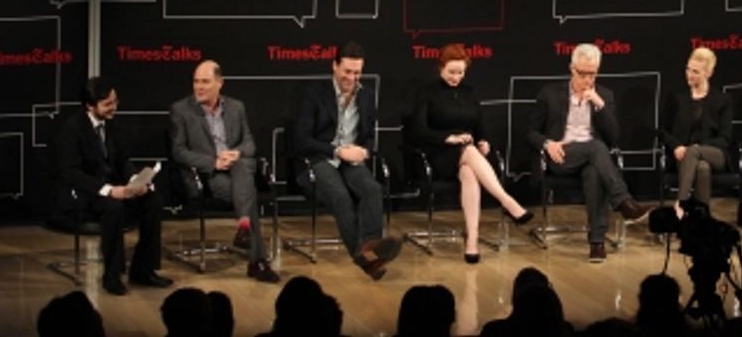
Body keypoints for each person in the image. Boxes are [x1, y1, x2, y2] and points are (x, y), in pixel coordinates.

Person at [525, 42, 651, 263]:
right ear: (571, 69)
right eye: (583, 74)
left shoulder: (605, 95)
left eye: (592, 74)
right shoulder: (550, 94)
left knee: (595, 170)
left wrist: (600, 107)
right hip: (561, 156)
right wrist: (548, 144)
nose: (588, 80)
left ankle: (596, 243)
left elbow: (613, 137)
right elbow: (531, 132)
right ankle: (624, 201)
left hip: (595, 160)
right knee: (596, 147)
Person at [409, 43, 533, 262]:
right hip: (436, 154)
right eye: (451, 72)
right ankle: (507, 201)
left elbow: (479, 125)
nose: (456, 77)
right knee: (467, 150)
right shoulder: (427, 92)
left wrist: (484, 140)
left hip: (466, 155)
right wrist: (448, 138)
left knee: (468, 171)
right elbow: (419, 131)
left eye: (460, 72)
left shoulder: (469, 92)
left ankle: (472, 240)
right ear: (440, 68)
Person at [294, 41, 403, 279]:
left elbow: (369, 137)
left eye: (356, 72)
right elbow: (301, 139)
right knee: (341, 198)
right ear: (335, 66)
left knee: (372, 190)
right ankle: (368, 258)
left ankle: (369, 249)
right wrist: (337, 151)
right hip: (320, 157)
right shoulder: (315, 94)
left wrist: (365, 152)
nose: (351, 77)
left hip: (351, 160)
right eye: (347, 71)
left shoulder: (367, 96)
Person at [54, 76, 171, 296]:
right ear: (90, 105)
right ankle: (112, 275)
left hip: (113, 188)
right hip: (86, 193)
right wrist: (108, 190)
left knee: (153, 200)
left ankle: (143, 270)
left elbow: (122, 160)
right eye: (108, 104)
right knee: (113, 207)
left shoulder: (112, 124)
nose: (114, 107)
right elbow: (71, 173)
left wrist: (136, 181)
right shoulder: (72, 129)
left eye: (115, 101)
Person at [168, 60, 280, 282]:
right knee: (248, 194)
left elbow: (249, 144)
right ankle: (256, 257)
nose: (199, 87)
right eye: (196, 81)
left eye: (205, 82)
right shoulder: (181, 110)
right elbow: (178, 152)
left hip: (238, 168)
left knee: (244, 164)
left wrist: (235, 153)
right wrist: (213, 162)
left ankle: (246, 233)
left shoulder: (236, 107)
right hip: (211, 175)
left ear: (220, 83)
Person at [658, 46, 734, 217]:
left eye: (695, 72)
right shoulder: (676, 98)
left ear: (708, 73)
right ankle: (702, 218)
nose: (689, 74)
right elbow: (662, 130)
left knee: (695, 152)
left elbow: (725, 138)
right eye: (688, 69)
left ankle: (681, 202)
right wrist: (676, 146)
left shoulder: (722, 100)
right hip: (683, 156)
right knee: (702, 168)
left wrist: (698, 148)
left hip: (715, 154)